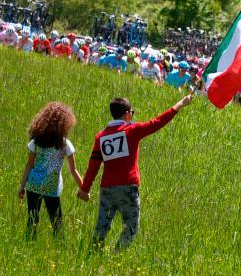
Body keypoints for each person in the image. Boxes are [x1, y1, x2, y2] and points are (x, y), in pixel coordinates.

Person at [77, 94, 193, 251]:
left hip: (107, 189)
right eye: (132, 112)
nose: (132, 115)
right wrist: (179, 104)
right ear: (126, 114)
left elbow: (93, 165)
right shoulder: (132, 131)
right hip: (128, 188)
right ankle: (117, 255)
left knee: (102, 226)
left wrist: (85, 189)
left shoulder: (101, 137)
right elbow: (157, 122)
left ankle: (93, 253)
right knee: (131, 227)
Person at [18, 102, 83, 240]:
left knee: (32, 221)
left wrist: (22, 186)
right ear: (64, 124)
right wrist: (84, 189)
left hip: (33, 184)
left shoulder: (36, 141)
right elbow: (73, 170)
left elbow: (29, 165)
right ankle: (60, 249)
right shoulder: (65, 143)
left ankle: (29, 245)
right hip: (51, 186)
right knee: (57, 224)